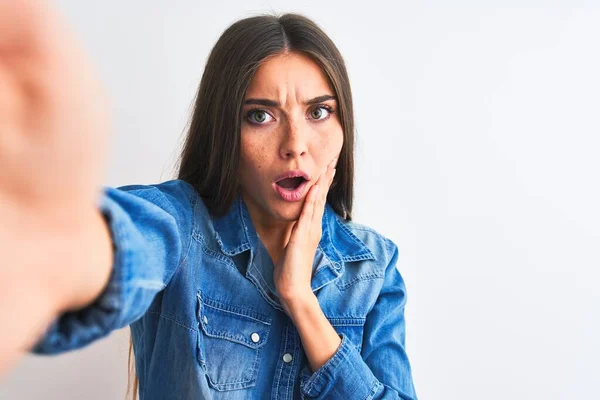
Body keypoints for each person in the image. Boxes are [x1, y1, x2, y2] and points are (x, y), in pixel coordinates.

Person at [0, 1, 417, 399]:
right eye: (260, 115)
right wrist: (47, 246)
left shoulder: (373, 269)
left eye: (318, 112)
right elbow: (124, 244)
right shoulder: (181, 225)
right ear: (224, 131)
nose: (295, 145)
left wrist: (300, 299)